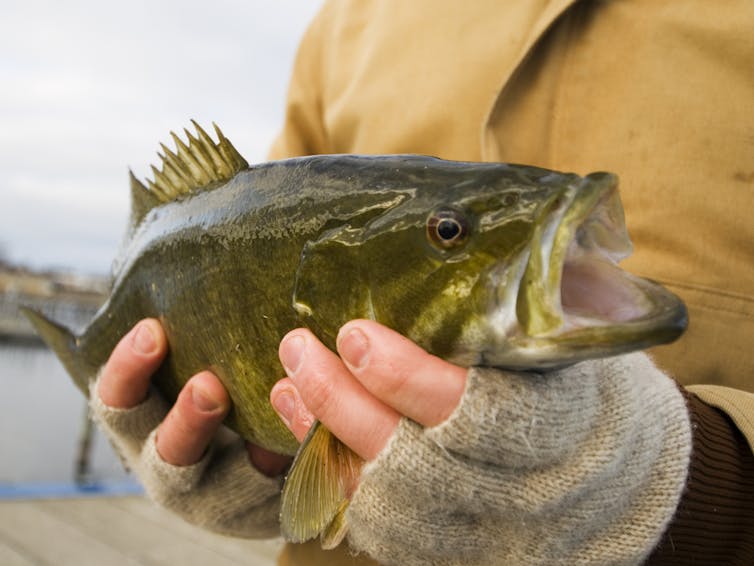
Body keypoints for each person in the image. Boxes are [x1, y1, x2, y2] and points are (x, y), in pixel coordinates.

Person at [90, 1, 754, 564]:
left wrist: (694, 488)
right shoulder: (351, 17)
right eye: (449, 233)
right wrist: (254, 456)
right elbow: (252, 233)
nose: (451, 236)